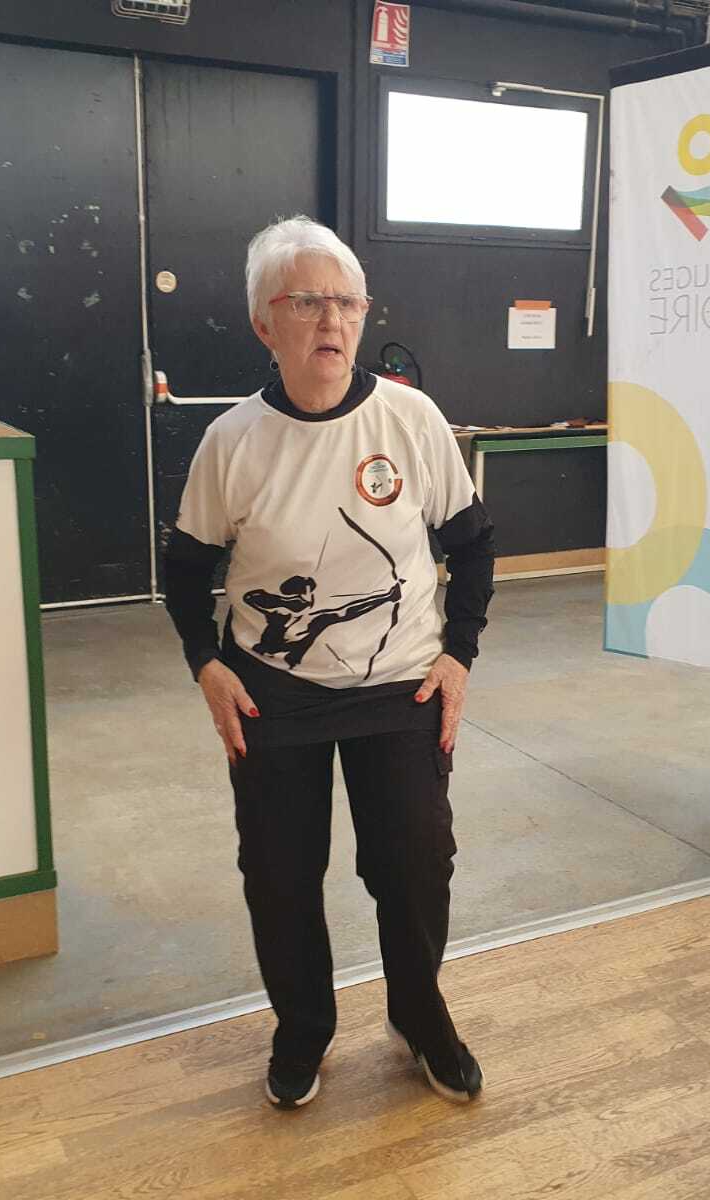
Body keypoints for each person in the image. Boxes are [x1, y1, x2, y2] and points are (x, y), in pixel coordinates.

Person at [163, 215, 497, 1110]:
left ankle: (420, 1018)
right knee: (279, 874)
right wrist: (206, 664)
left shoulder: (410, 419)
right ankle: (303, 1029)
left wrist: (459, 656)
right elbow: (186, 569)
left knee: (416, 865)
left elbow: (472, 543)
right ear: (263, 324)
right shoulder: (232, 441)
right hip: (273, 696)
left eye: (347, 302)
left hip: (402, 688)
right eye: (307, 301)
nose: (332, 321)